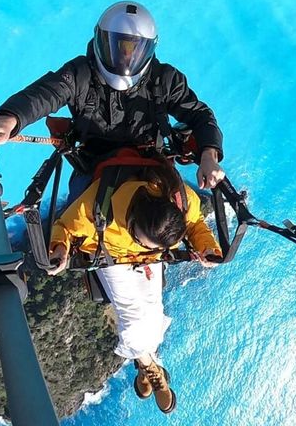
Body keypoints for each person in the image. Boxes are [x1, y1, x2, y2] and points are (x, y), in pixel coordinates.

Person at [0, 1, 226, 194]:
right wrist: (10, 118)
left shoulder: (165, 79)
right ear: (100, 40)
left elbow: (200, 115)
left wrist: (208, 154)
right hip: (93, 167)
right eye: (118, 46)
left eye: (134, 49)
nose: (125, 58)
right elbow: (45, 94)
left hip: (152, 164)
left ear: (149, 49)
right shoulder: (80, 73)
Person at [47, 161, 220, 414]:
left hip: (150, 261)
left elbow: (195, 224)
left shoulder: (179, 198)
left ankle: (144, 361)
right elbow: (65, 227)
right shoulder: (98, 205)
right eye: (145, 242)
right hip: (113, 256)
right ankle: (148, 364)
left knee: (153, 311)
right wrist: (59, 250)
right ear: (131, 223)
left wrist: (207, 248)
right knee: (132, 318)